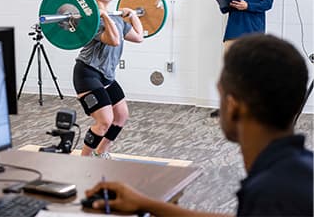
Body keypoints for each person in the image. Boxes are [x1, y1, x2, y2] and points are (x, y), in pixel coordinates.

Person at [85, 34, 313, 216]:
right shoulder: (294, 171)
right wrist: (148, 204)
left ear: (233, 107)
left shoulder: (272, 192)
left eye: (220, 95)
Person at [73, 0, 144, 158]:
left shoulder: (116, 18)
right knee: (104, 121)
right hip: (87, 73)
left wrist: (133, 16)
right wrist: (102, 15)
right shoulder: (92, 21)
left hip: (106, 75)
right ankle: (84, 158)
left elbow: (138, 36)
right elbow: (113, 40)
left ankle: (102, 151)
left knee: (121, 116)